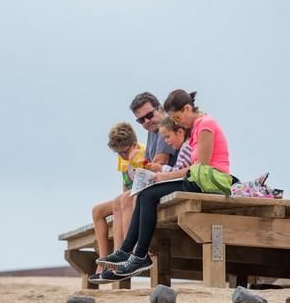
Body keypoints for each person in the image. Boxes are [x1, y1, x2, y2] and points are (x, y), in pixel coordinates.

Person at [96, 89, 232, 279]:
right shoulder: (197, 127)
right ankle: (129, 251)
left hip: (210, 181)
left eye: (177, 117)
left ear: (187, 108)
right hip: (199, 179)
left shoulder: (205, 124)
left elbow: (201, 168)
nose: (177, 123)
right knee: (145, 194)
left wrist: (164, 176)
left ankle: (137, 254)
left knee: (148, 194)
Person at [89, 93, 177, 280]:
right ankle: (116, 259)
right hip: (154, 183)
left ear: (159, 109)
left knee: (127, 198)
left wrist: (141, 168)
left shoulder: (164, 130)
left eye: (149, 115)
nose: (146, 121)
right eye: (141, 120)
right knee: (117, 201)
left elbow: (157, 165)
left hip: (168, 182)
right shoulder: (152, 132)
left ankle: (130, 255)